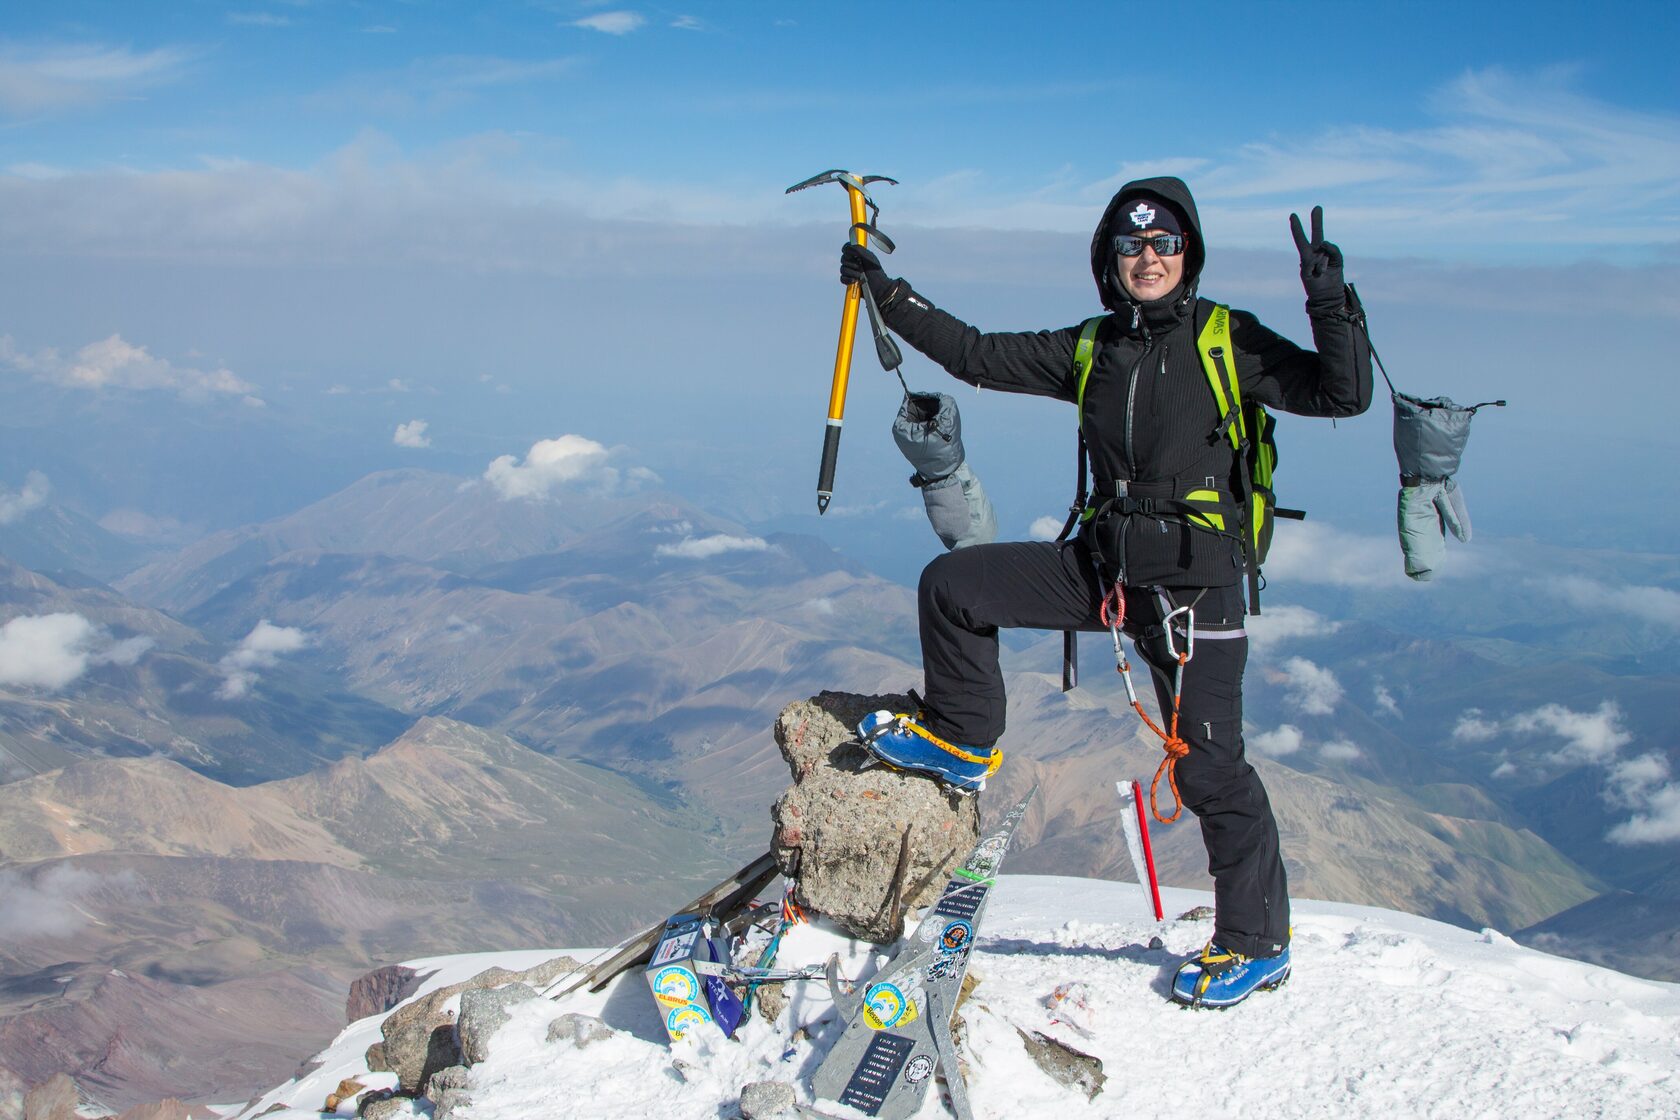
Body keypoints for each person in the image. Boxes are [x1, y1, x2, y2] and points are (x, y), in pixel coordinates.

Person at [839, 176, 1372, 1008]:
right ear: (1109, 260)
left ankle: (1256, 942)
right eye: (1131, 245)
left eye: (1164, 244)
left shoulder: (1229, 339)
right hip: (1106, 572)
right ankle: (963, 738)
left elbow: (1341, 394)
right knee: (954, 585)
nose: (1148, 257)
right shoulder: (1092, 347)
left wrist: (1331, 302)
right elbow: (979, 355)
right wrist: (890, 293)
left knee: (1211, 772)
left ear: (1188, 254)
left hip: (1198, 594)